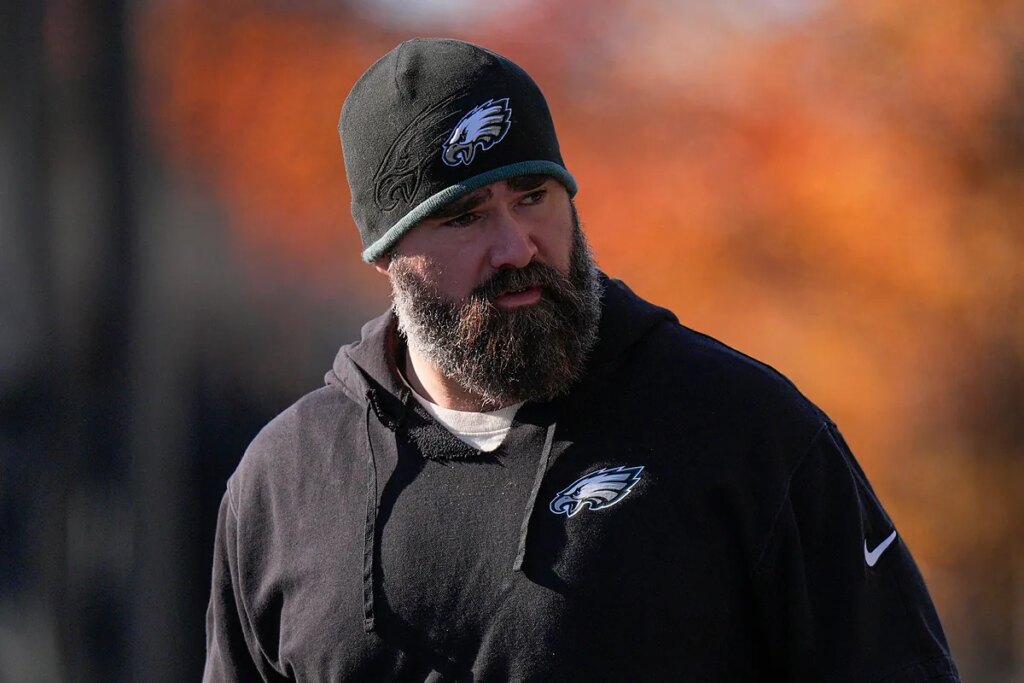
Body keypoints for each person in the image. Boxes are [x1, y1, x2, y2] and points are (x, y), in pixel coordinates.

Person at [203, 38, 960, 682]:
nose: (515, 247)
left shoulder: (746, 432)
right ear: (387, 254)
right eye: (465, 217)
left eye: (532, 196)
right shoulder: (284, 485)